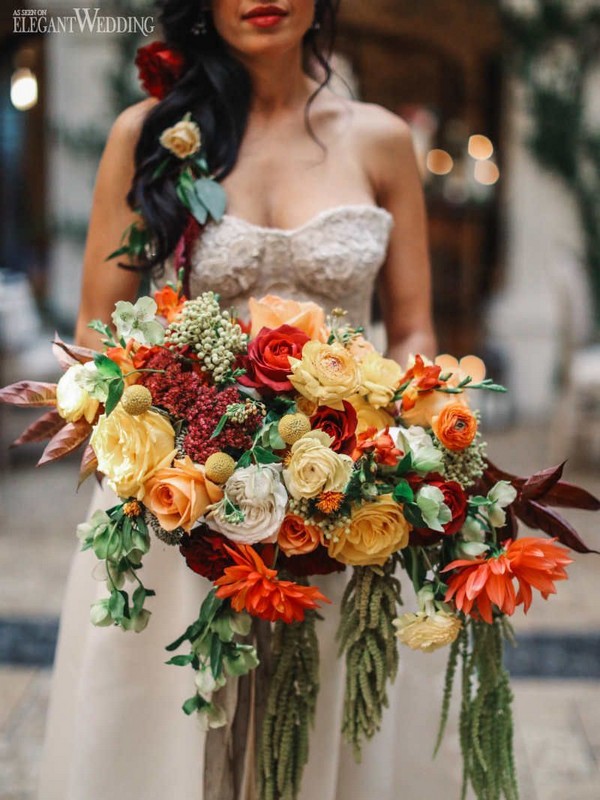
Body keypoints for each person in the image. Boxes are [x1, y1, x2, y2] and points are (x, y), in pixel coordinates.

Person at [38, 1, 461, 798]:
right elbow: (97, 331)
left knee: (323, 719)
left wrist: (409, 444)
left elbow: (411, 330)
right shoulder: (149, 133)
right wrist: (153, 442)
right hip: (181, 502)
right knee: (169, 732)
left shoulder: (379, 138)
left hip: (340, 496)